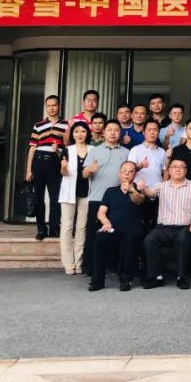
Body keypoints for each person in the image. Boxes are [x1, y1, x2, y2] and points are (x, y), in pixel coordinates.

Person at [142, 158, 191, 290]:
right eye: (174, 167)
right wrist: (144, 188)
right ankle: (156, 276)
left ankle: (181, 277)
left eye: (181, 167)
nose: (178, 169)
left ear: (186, 170)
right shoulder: (162, 185)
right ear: (169, 170)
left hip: (183, 227)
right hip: (163, 227)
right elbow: (151, 193)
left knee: (183, 240)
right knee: (149, 240)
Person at [81, 120, 130, 274]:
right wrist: (90, 169)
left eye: (116, 130)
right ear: (104, 132)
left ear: (120, 133)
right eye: (110, 130)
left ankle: (112, 265)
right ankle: (89, 267)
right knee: (93, 233)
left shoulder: (126, 152)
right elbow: (84, 174)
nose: (113, 133)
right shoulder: (94, 151)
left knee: (114, 232)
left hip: (117, 199)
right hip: (97, 197)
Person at [88, 161, 145, 292]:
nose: (127, 174)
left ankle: (126, 279)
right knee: (100, 239)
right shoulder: (110, 191)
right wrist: (106, 222)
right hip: (113, 228)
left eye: (131, 171)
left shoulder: (139, 189)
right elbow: (101, 212)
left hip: (132, 229)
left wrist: (131, 190)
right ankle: (97, 280)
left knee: (129, 239)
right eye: (124, 171)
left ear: (135, 174)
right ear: (119, 173)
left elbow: (139, 200)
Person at [25, 94, 67, 241]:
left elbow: (67, 148)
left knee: (56, 198)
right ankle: (41, 229)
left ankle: (54, 228)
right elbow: (32, 148)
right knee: (38, 198)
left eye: (54, 105)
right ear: (46, 107)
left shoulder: (66, 125)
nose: (51, 108)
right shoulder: (38, 125)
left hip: (55, 162)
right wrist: (28, 170)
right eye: (49, 106)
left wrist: (58, 150)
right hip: (38, 161)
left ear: (59, 106)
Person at [58, 121, 91, 275]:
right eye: (76, 131)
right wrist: (64, 167)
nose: (79, 134)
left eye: (83, 131)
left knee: (82, 227)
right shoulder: (67, 150)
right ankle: (68, 263)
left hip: (87, 192)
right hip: (69, 192)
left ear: (87, 133)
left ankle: (79, 262)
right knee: (67, 227)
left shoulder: (93, 150)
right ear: (72, 134)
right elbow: (63, 173)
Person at [128, 119, 166, 230]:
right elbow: (129, 170)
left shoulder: (162, 152)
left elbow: (165, 171)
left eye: (155, 130)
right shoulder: (135, 150)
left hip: (157, 192)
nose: (152, 132)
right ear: (144, 132)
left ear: (158, 132)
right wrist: (140, 165)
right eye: (149, 130)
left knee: (154, 224)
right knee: (138, 224)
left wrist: (164, 186)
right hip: (139, 191)